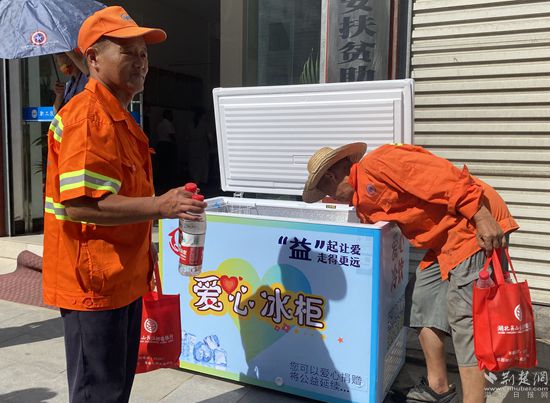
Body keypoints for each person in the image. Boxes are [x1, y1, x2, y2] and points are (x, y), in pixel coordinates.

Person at [42, 6, 207, 403]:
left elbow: (119, 195)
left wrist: (145, 238)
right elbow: (81, 206)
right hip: (94, 284)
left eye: (144, 54)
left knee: (113, 389)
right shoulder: (89, 117)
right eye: (128, 52)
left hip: (120, 278)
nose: (141, 62)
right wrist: (160, 206)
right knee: (98, 393)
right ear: (93, 59)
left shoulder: (117, 116)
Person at [302, 143, 519, 403]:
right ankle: (438, 388)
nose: (330, 199)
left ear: (331, 176)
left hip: (472, 227)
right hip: (443, 241)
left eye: (326, 192)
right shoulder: (362, 203)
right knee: (421, 299)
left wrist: (482, 218)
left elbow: (445, 178)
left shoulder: (381, 162)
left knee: (467, 320)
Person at [155, 109, 178, 193]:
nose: (172, 117)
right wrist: (176, 143)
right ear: (167, 115)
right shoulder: (168, 124)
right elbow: (171, 135)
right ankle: (168, 183)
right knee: (168, 164)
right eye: (171, 115)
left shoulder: (159, 124)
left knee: (161, 164)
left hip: (160, 144)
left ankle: (161, 182)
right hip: (167, 145)